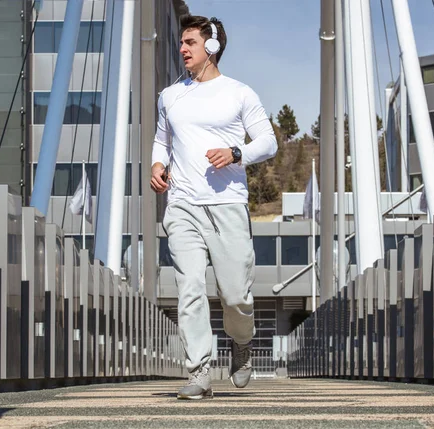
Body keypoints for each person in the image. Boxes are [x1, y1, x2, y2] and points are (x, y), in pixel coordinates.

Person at [150, 15, 277, 400]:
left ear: (212, 47)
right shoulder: (170, 96)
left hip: (226, 205)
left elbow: (268, 143)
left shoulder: (239, 93)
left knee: (235, 295)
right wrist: (157, 166)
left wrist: (236, 152)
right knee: (188, 289)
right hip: (183, 205)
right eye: (182, 42)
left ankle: (241, 344)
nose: (182, 48)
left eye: (190, 42)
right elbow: (162, 142)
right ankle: (200, 371)